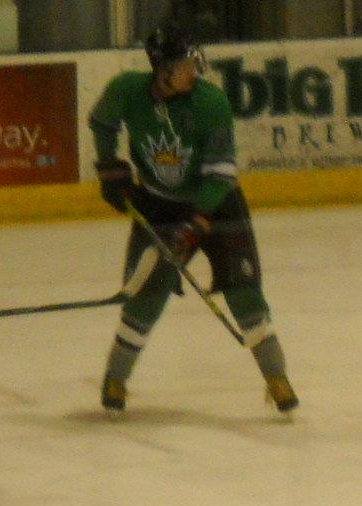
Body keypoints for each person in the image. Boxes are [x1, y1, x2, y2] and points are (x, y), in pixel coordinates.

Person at [89, 22, 299, 414]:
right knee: (143, 299)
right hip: (158, 206)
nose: (193, 71)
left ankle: (276, 377)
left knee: (245, 292)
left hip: (217, 204)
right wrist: (109, 166)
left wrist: (198, 221)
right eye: (184, 65)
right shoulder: (127, 91)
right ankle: (116, 377)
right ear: (161, 70)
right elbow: (102, 121)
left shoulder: (210, 103)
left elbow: (220, 173)